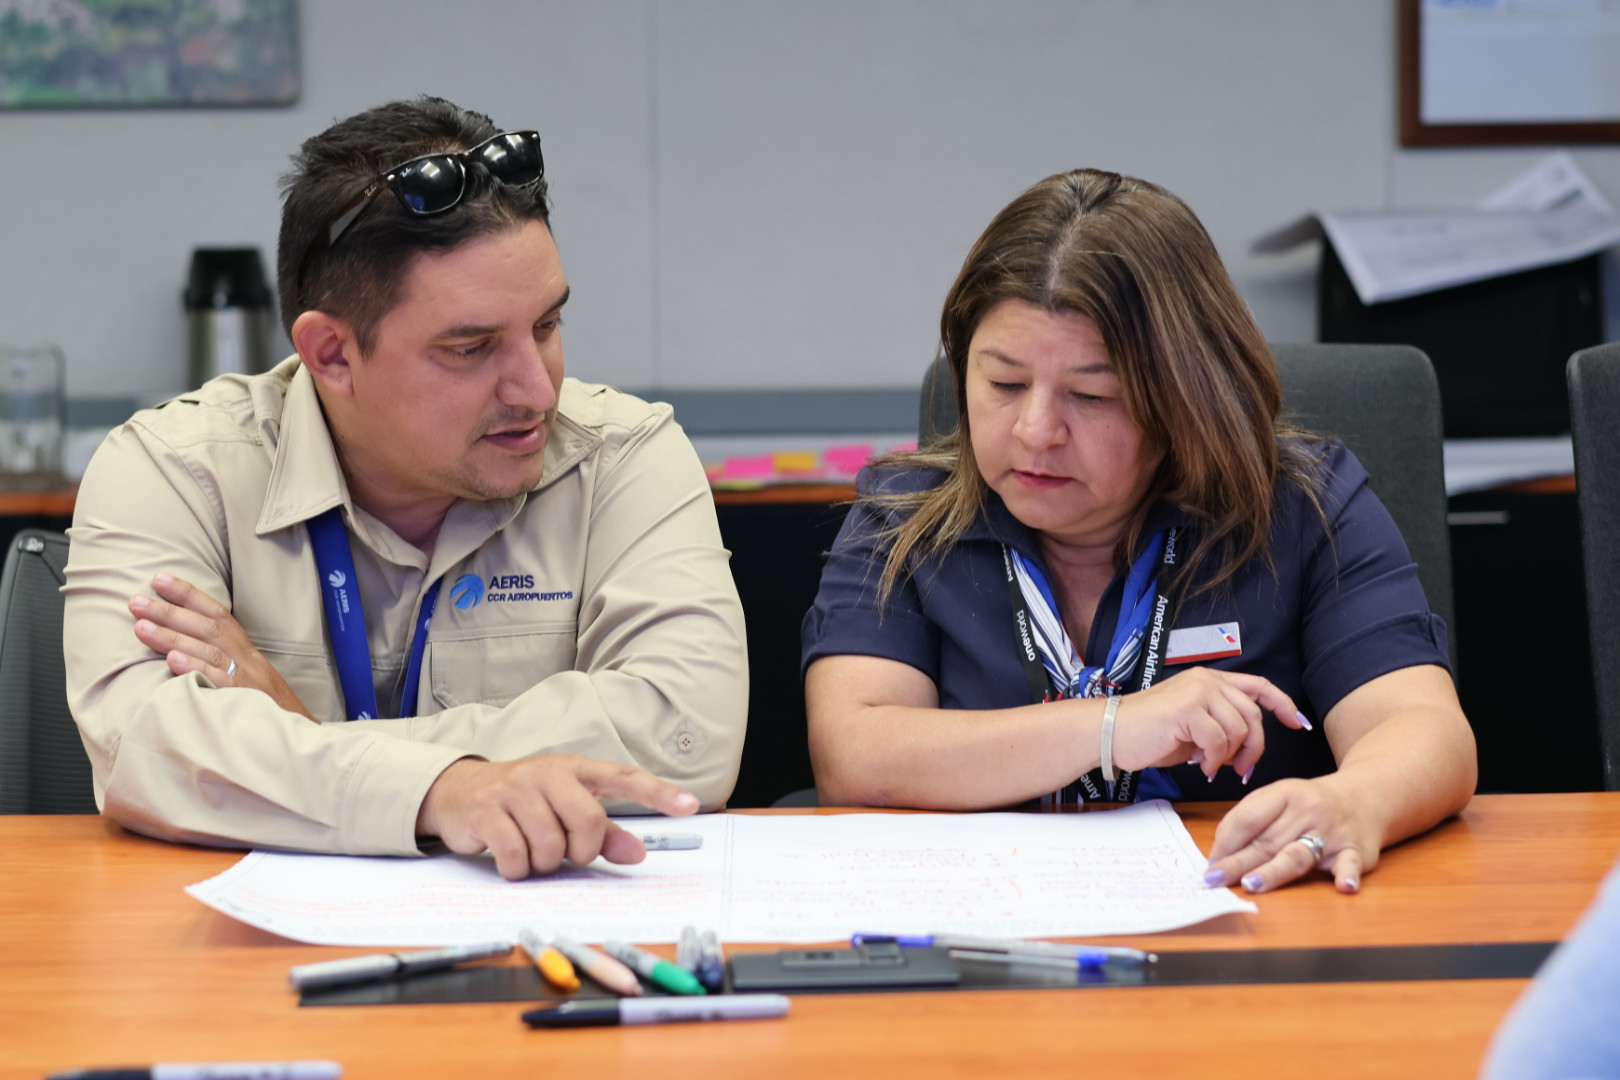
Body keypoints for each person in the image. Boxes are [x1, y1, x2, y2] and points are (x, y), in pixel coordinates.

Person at [63, 97, 748, 881]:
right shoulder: (174, 470)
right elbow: (141, 753)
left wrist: (301, 737)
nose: (536, 389)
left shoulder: (626, 454)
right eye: (471, 347)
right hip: (251, 961)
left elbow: (688, 741)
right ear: (332, 354)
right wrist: (444, 791)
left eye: (548, 327)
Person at [803, 169, 1476, 894]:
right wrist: (1111, 726)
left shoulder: (1302, 505)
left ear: (1187, 396)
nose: (1035, 431)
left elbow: (1425, 730)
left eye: (1091, 396)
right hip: (988, 922)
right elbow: (855, 753)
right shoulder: (905, 517)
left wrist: (1354, 800)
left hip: (1252, 917)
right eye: (1002, 384)